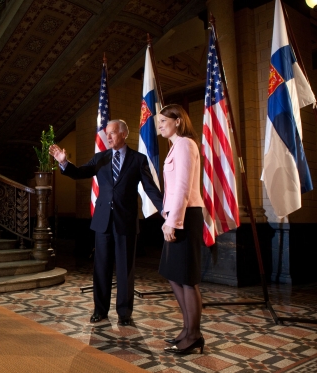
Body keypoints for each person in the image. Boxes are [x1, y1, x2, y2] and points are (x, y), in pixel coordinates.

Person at [49, 119, 163, 326]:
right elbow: (80, 173)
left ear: (123, 134)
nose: (108, 137)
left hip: (126, 222)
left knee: (125, 269)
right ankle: (100, 310)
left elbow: (150, 188)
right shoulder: (100, 158)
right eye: (106, 133)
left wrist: (165, 209)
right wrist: (64, 162)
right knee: (101, 267)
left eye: (112, 133)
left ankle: (124, 313)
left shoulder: (138, 160)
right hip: (103, 222)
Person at [157, 104, 205, 354]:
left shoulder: (186, 144)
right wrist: (167, 216)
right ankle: (187, 329)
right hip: (175, 216)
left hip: (186, 217)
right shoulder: (176, 147)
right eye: (159, 122)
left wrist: (172, 221)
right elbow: (172, 189)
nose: (160, 125)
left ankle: (194, 334)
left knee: (187, 279)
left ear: (178, 121)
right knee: (174, 274)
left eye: (164, 120)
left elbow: (183, 187)